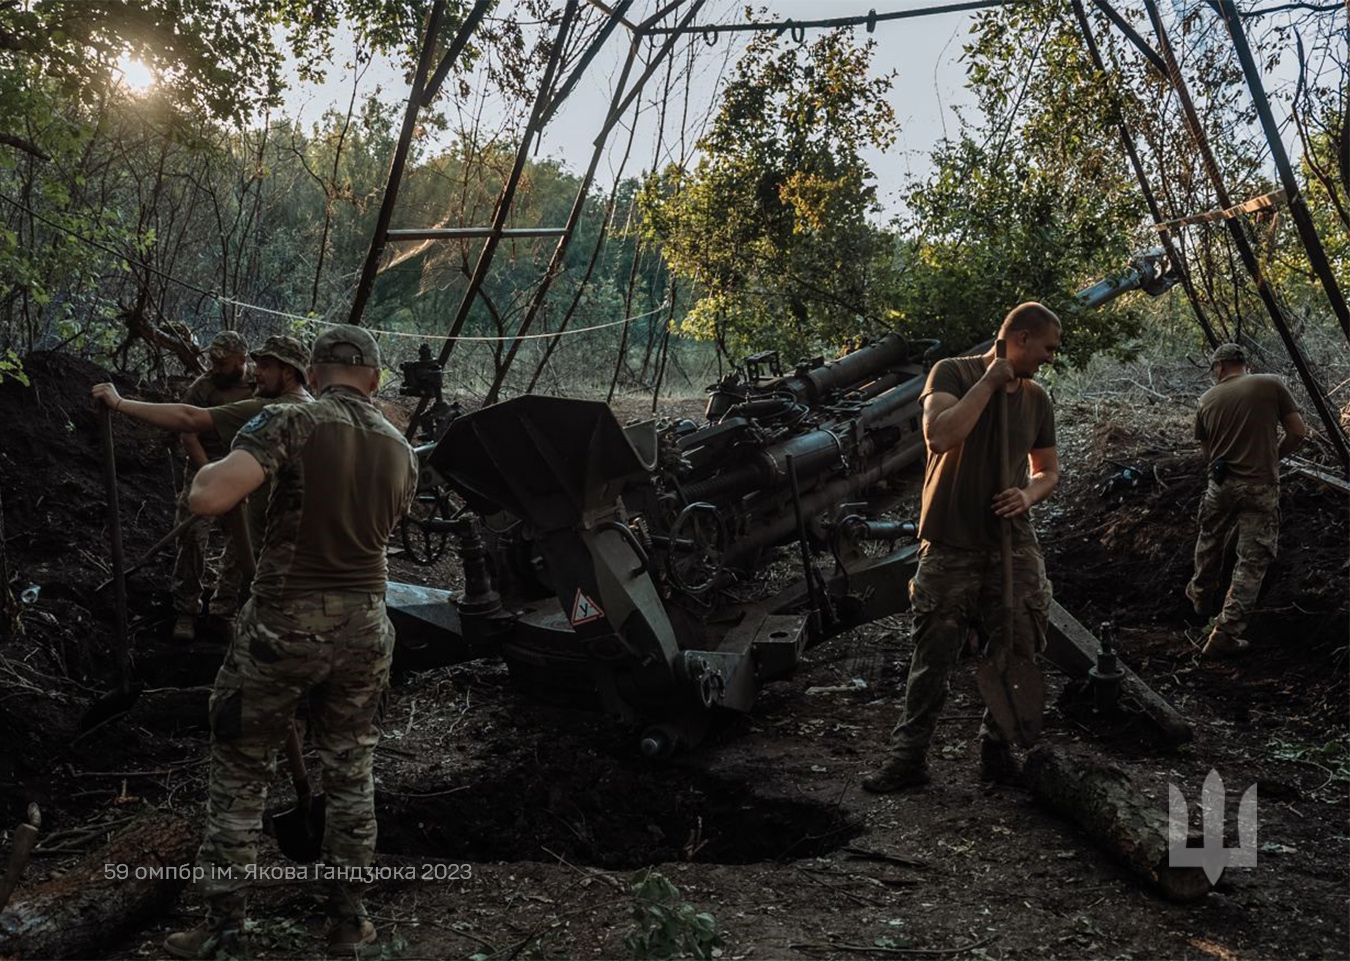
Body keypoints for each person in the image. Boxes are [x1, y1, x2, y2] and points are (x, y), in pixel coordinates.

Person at [162, 325, 417, 959]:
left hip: (284, 624)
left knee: (242, 773)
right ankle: (348, 925)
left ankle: (221, 930)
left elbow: (211, 496)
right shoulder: (399, 446)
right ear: (376, 380)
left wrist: (210, 469)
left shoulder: (290, 422)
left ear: (312, 370)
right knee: (352, 773)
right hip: (367, 625)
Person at [862, 303, 1061, 793]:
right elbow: (939, 435)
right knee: (934, 653)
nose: (1051, 358)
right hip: (950, 539)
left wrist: (1027, 494)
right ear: (1020, 338)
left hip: (1010, 541)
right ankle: (907, 758)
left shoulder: (1037, 398)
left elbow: (1048, 471)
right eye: (1047, 348)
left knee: (1019, 641)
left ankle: (997, 749)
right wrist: (990, 383)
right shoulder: (952, 372)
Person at [92, 335, 314, 630]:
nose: (258, 372)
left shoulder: (273, 409)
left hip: (266, 536)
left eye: (266, 367)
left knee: (247, 566)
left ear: (288, 372)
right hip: (296, 551)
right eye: (258, 365)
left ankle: (227, 616)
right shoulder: (318, 410)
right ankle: (191, 609)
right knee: (196, 539)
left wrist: (120, 403)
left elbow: (188, 417)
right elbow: (190, 429)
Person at [1185, 343, 1306, 657]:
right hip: (1259, 485)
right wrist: (1271, 458)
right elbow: (1297, 432)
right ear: (1244, 365)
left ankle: (1200, 601)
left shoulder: (1206, 400)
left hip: (1220, 486)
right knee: (1251, 559)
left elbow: (1208, 455)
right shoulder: (1270, 384)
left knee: (1210, 538)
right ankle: (1226, 632)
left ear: (1220, 367)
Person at [171, 332, 255, 641]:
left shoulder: (259, 385)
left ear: (241, 361)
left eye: (222, 362)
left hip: (246, 467)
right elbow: (188, 433)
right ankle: (185, 608)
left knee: (241, 539)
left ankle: (223, 609)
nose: (215, 366)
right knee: (192, 536)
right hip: (204, 467)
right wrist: (209, 472)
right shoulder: (202, 388)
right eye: (212, 360)